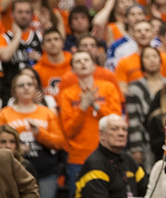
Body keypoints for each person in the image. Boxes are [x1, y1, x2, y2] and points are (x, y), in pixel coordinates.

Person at [58, 50, 123, 195]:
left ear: (94, 66)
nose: (82, 63)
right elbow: (69, 130)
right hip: (79, 158)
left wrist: (96, 106)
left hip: (109, 154)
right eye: (78, 61)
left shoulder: (108, 87)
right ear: (72, 69)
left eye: (86, 60)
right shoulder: (67, 94)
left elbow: (116, 122)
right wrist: (82, 107)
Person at [0, 73, 64, 198]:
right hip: (13, 169)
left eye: (30, 84)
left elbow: (59, 143)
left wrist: (40, 134)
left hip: (45, 171)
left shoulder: (47, 113)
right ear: (14, 90)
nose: (26, 88)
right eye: (21, 85)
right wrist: (18, 149)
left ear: (36, 88)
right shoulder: (4, 114)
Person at [74, 114, 147, 198]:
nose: (121, 133)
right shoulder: (95, 163)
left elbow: (146, 190)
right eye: (114, 129)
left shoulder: (128, 159)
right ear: (102, 135)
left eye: (124, 129)